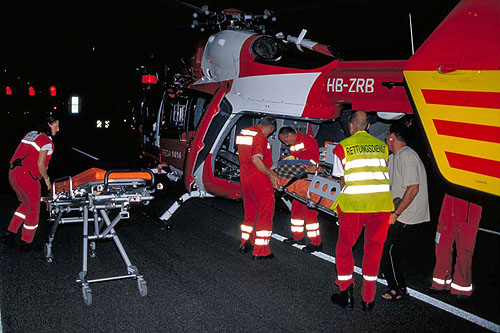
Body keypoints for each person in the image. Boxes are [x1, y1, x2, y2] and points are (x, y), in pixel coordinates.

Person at [330, 111, 394, 311]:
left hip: (354, 205)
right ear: (368, 127)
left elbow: (341, 179)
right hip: (381, 205)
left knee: (344, 248)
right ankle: (368, 299)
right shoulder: (383, 147)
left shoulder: (343, 148)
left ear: (351, 127)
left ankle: (346, 293)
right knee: (373, 251)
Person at [379, 123, 430, 300]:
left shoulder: (407, 156)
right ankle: (388, 272)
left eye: (387, 135)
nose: (386, 139)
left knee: (389, 248)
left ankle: (398, 289)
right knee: (391, 249)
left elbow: (413, 188)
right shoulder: (395, 157)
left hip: (409, 214)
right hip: (400, 210)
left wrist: (396, 214)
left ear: (392, 136)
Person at [1, 112, 60, 251]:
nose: (58, 129)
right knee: (33, 210)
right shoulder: (46, 141)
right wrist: (46, 180)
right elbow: (40, 165)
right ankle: (26, 242)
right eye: (56, 126)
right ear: (49, 125)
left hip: (13, 173)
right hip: (27, 177)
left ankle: (10, 233)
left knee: (25, 205)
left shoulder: (31, 134)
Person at [236, 116, 278, 260]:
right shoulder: (260, 137)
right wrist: (271, 175)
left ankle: (245, 242)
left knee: (250, 211)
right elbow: (256, 159)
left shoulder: (244, 133)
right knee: (266, 212)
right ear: (269, 128)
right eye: (270, 132)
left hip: (245, 177)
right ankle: (261, 251)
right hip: (259, 177)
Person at [278, 127, 322, 253]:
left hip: (309, 182)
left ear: (290, 135)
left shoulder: (308, 140)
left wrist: (298, 164)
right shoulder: (294, 146)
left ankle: (316, 242)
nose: (286, 144)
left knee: (310, 215)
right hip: (299, 182)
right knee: (296, 211)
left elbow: (314, 162)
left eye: (285, 140)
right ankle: (298, 237)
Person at [430, 193, 482, 298]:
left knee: (465, 247)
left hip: (471, 200)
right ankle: (440, 281)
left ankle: (462, 287)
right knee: (441, 241)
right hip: (450, 197)